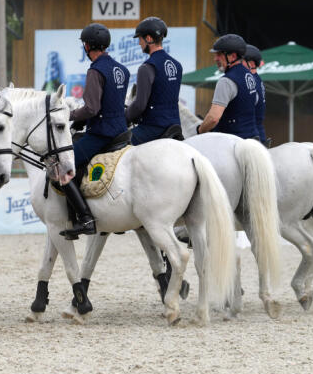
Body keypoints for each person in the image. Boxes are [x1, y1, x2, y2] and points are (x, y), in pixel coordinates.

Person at [61, 22, 130, 240]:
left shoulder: (95, 70)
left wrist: (69, 116)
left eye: (84, 44)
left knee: (62, 167)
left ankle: (85, 218)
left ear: (89, 45)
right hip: (122, 131)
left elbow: (92, 108)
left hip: (102, 133)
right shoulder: (122, 69)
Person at [124, 16, 183, 144]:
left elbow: (139, 105)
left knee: (117, 142)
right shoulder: (177, 65)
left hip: (152, 128)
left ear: (149, 39)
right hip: (175, 126)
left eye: (140, 39)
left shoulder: (146, 67)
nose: (139, 43)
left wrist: (124, 118)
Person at [195, 34, 259, 139]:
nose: (215, 58)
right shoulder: (250, 76)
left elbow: (213, 118)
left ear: (233, 56)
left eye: (219, 54)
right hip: (253, 137)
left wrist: (200, 130)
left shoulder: (226, 81)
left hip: (232, 140)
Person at [243, 44, 269, 146]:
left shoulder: (248, 81)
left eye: (241, 61)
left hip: (249, 139)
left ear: (251, 63)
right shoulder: (257, 79)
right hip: (259, 134)